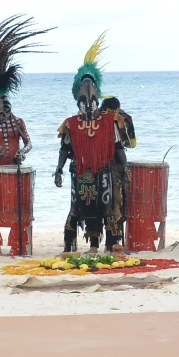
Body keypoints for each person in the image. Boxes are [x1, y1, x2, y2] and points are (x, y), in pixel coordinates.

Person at [54, 34, 129, 252]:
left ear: (97, 99)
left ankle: (111, 245)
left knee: (106, 207)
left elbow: (118, 148)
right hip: (79, 173)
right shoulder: (70, 124)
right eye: (84, 101)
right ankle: (75, 246)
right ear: (78, 101)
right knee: (77, 209)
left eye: (92, 101)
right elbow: (64, 149)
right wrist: (58, 170)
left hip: (103, 172)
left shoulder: (109, 121)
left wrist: (124, 170)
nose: (88, 104)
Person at [0, 16, 46, 255]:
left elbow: (29, 144)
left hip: (15, 169)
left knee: (18, 205)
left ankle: (19, 243)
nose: (1, 105)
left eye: (4, 100)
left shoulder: (18, 122)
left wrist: (21, 152)